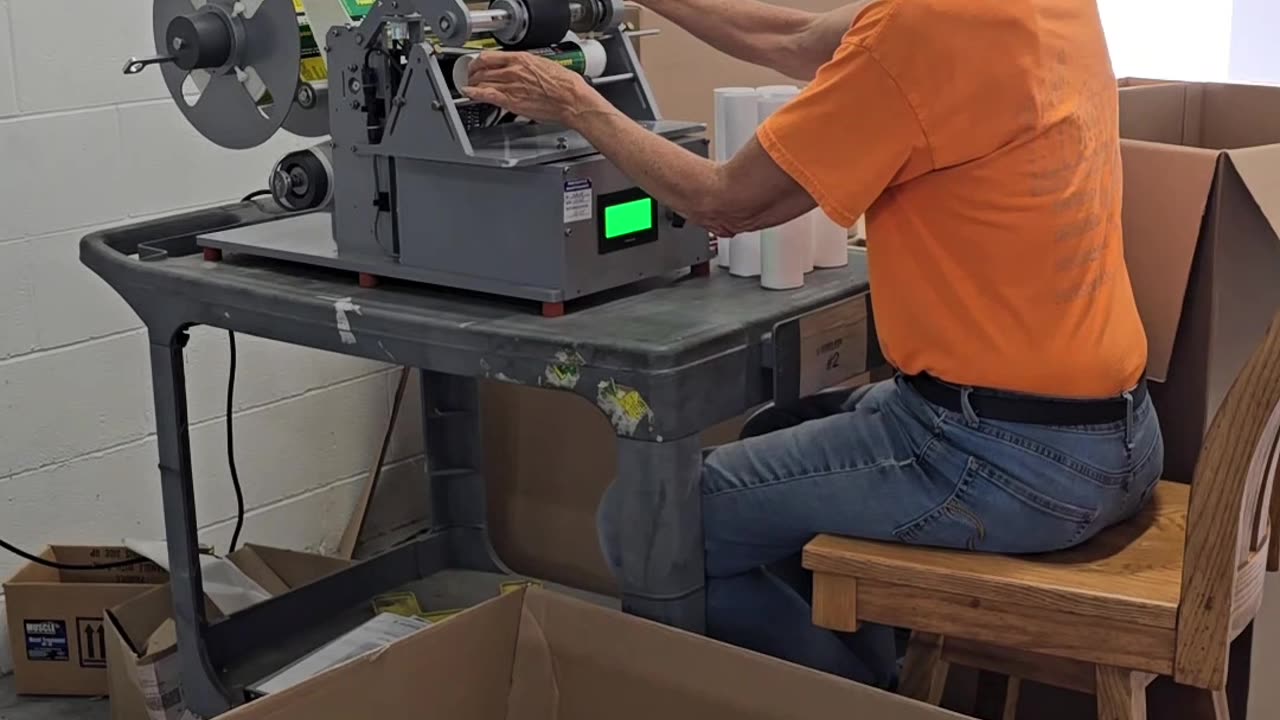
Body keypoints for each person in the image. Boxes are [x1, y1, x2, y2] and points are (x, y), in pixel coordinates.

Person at [464, 0, 1163, 687]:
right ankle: (868, 676)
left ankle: (859, 704)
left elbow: (728, 202)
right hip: (1117, 435)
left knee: (654, 523)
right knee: (777, 426)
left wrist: (577, 103)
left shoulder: (927, 30)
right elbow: (800, 34)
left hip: (1001, 458)